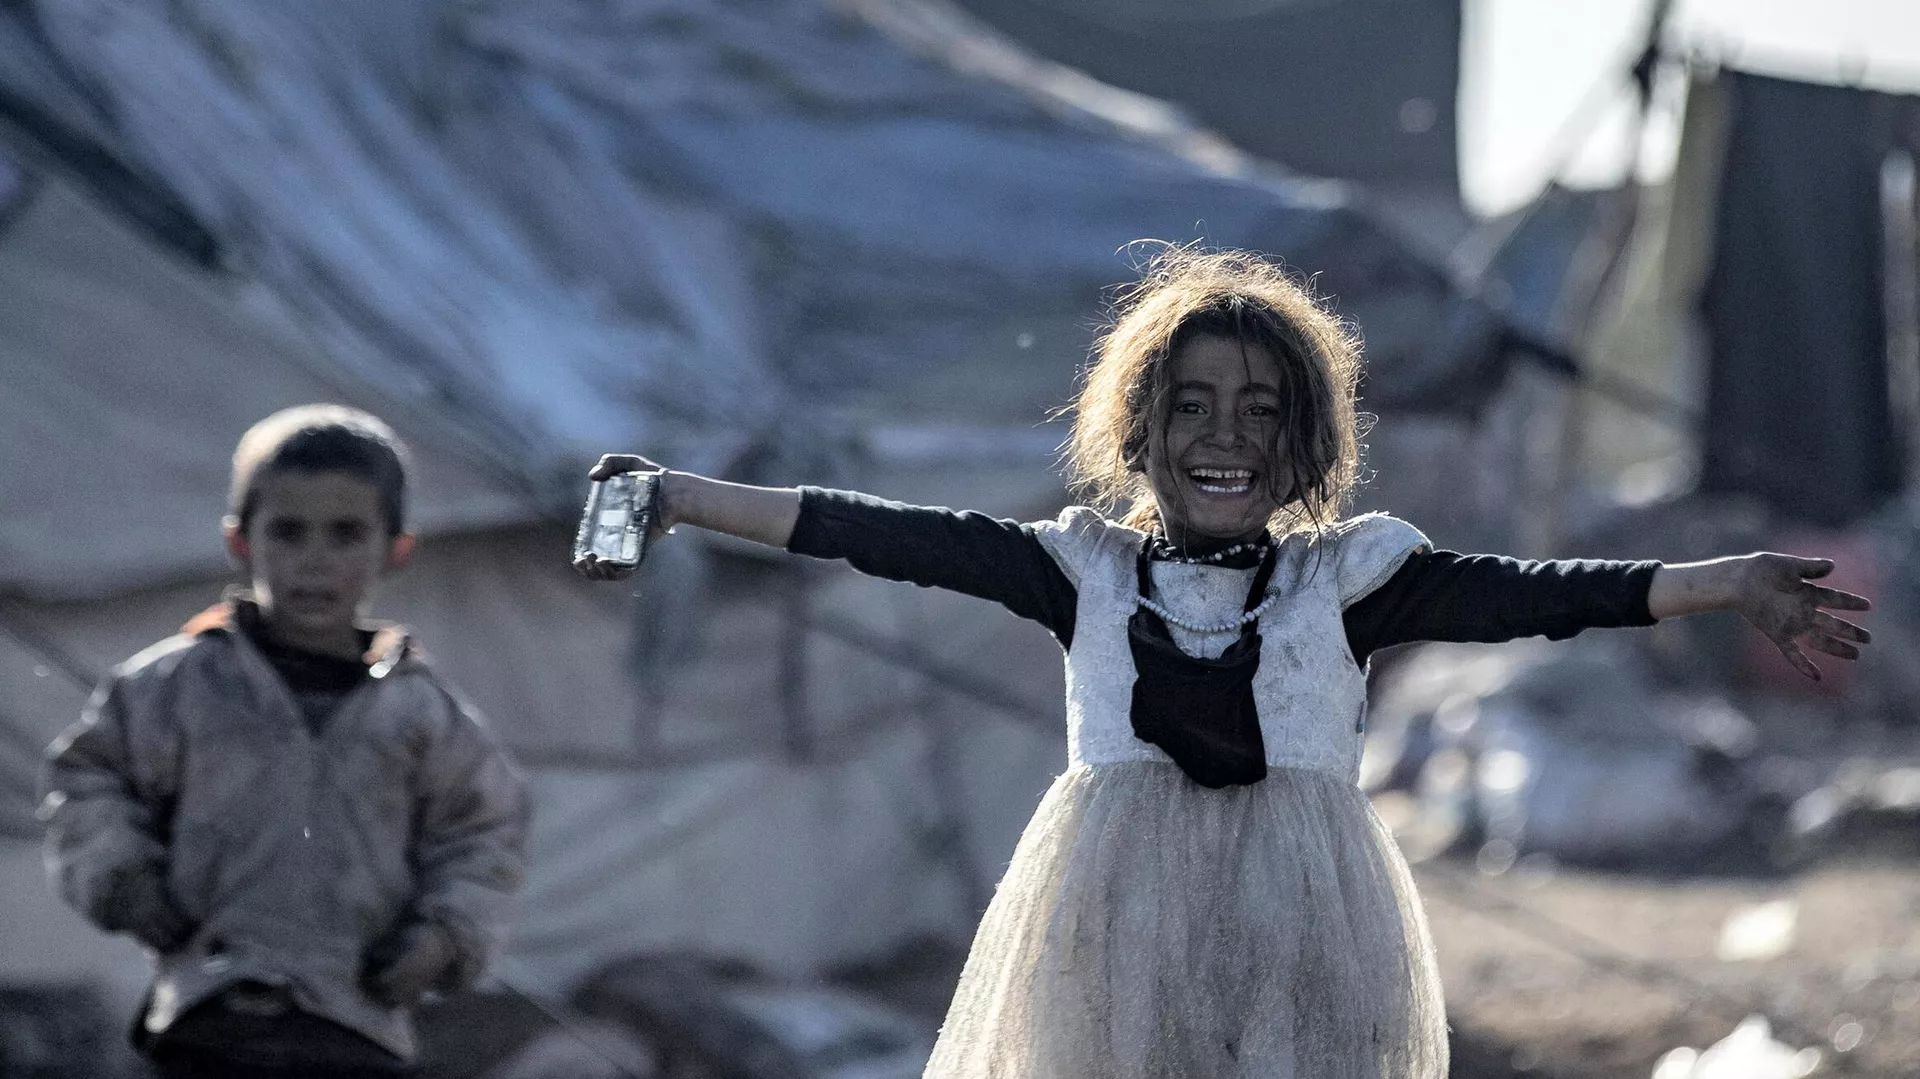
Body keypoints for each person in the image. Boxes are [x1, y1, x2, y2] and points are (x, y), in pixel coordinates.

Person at [577, 247, 1871, 1078]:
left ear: (1306, 445)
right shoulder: (1079, 569)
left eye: (1262, 411)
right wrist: (682, 496)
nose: (1224, 437)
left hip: (1305, 920)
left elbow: (1536, 595)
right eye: (1191, 407)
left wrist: (1724, 580)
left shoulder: (1348, 578)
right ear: (1139, 433)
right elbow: (875, 530)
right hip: (1115, 921)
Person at [42, 405, 531, 1079]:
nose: (315, 561)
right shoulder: (175, 686)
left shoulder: (422, 713)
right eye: (288, 532)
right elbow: (88, 782)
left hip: (356, 1027)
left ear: (396, 550)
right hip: (205, 1017)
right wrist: (126, 880)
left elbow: (484, 834)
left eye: (346, 535)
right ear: (241, 542)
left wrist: (444, 938)